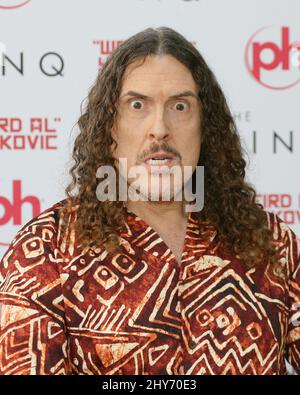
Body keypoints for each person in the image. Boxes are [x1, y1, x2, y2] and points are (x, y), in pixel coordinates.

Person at [0, 26, 299, 375]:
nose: (160, 128)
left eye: (180, 105)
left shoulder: (268, 242)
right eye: (138, 105)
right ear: (109, 126)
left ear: (206, 126)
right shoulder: (47, 249)